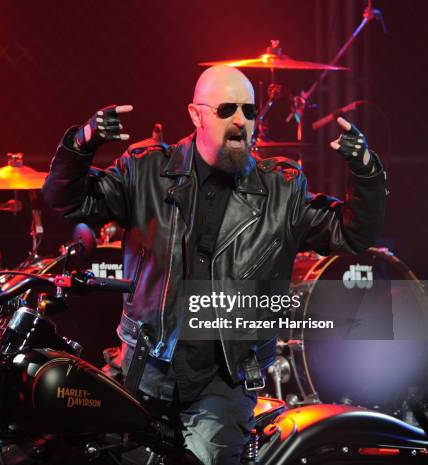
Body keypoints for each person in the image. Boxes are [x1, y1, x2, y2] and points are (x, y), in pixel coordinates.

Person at [42, 65, 386, 465]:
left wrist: (365, 172)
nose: (241, 120)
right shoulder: (147, 170)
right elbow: (67, 201)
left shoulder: (282, 190)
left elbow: (352, 233)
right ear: (196, 114)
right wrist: (83, 143)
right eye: (227, 109)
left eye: (249, 110)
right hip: (144, 366)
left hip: (224, 381)